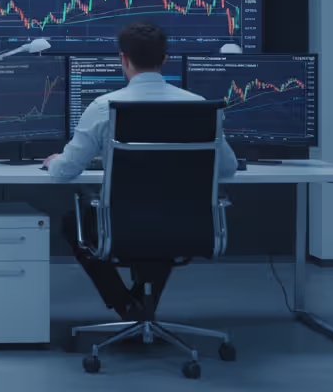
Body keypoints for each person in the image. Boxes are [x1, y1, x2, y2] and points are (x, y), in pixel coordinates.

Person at [44, 21, 237, 320]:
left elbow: (63, 172)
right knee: (166, 218)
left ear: (123, 58)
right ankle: (141, 310)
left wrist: (54, 160)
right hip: (188, 228)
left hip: (123, 228)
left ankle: (126, 305)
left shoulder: (102, 107)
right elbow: (228, 168)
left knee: (75, 220)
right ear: (164, 59)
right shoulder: (199, 107)